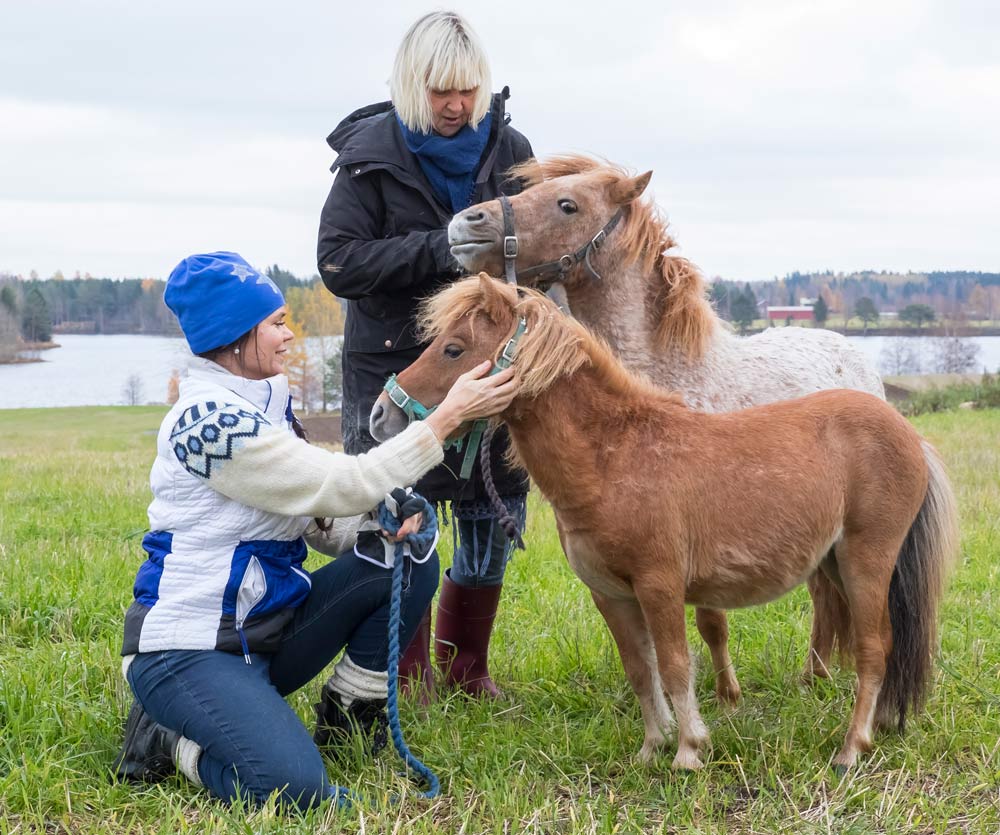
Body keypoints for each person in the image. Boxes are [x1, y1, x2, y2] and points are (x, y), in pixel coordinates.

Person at [113, 251, 517, 811]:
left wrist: (381, 521)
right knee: (295, 792)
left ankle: (351, 713)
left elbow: (320, 519)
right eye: (276, 323)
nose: (289, 335)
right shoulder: (208, 421)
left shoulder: (265, 403)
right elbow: (339, 484)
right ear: (234, 337)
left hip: (266, 632)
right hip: (190, 650)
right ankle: (171, 739)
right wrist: (443, 419)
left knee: (410, 558)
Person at [316, 11, 534, 703]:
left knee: (489, 518)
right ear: (413, 84)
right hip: (394, 366)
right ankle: (403, 670)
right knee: (401, 516)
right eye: (440, 90)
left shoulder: (512, 149)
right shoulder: (368, 155)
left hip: (492, 367)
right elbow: (339, 262)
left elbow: (538, 247)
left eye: (467, 90)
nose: (456, 105)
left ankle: (467, 666)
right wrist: (440, 248)